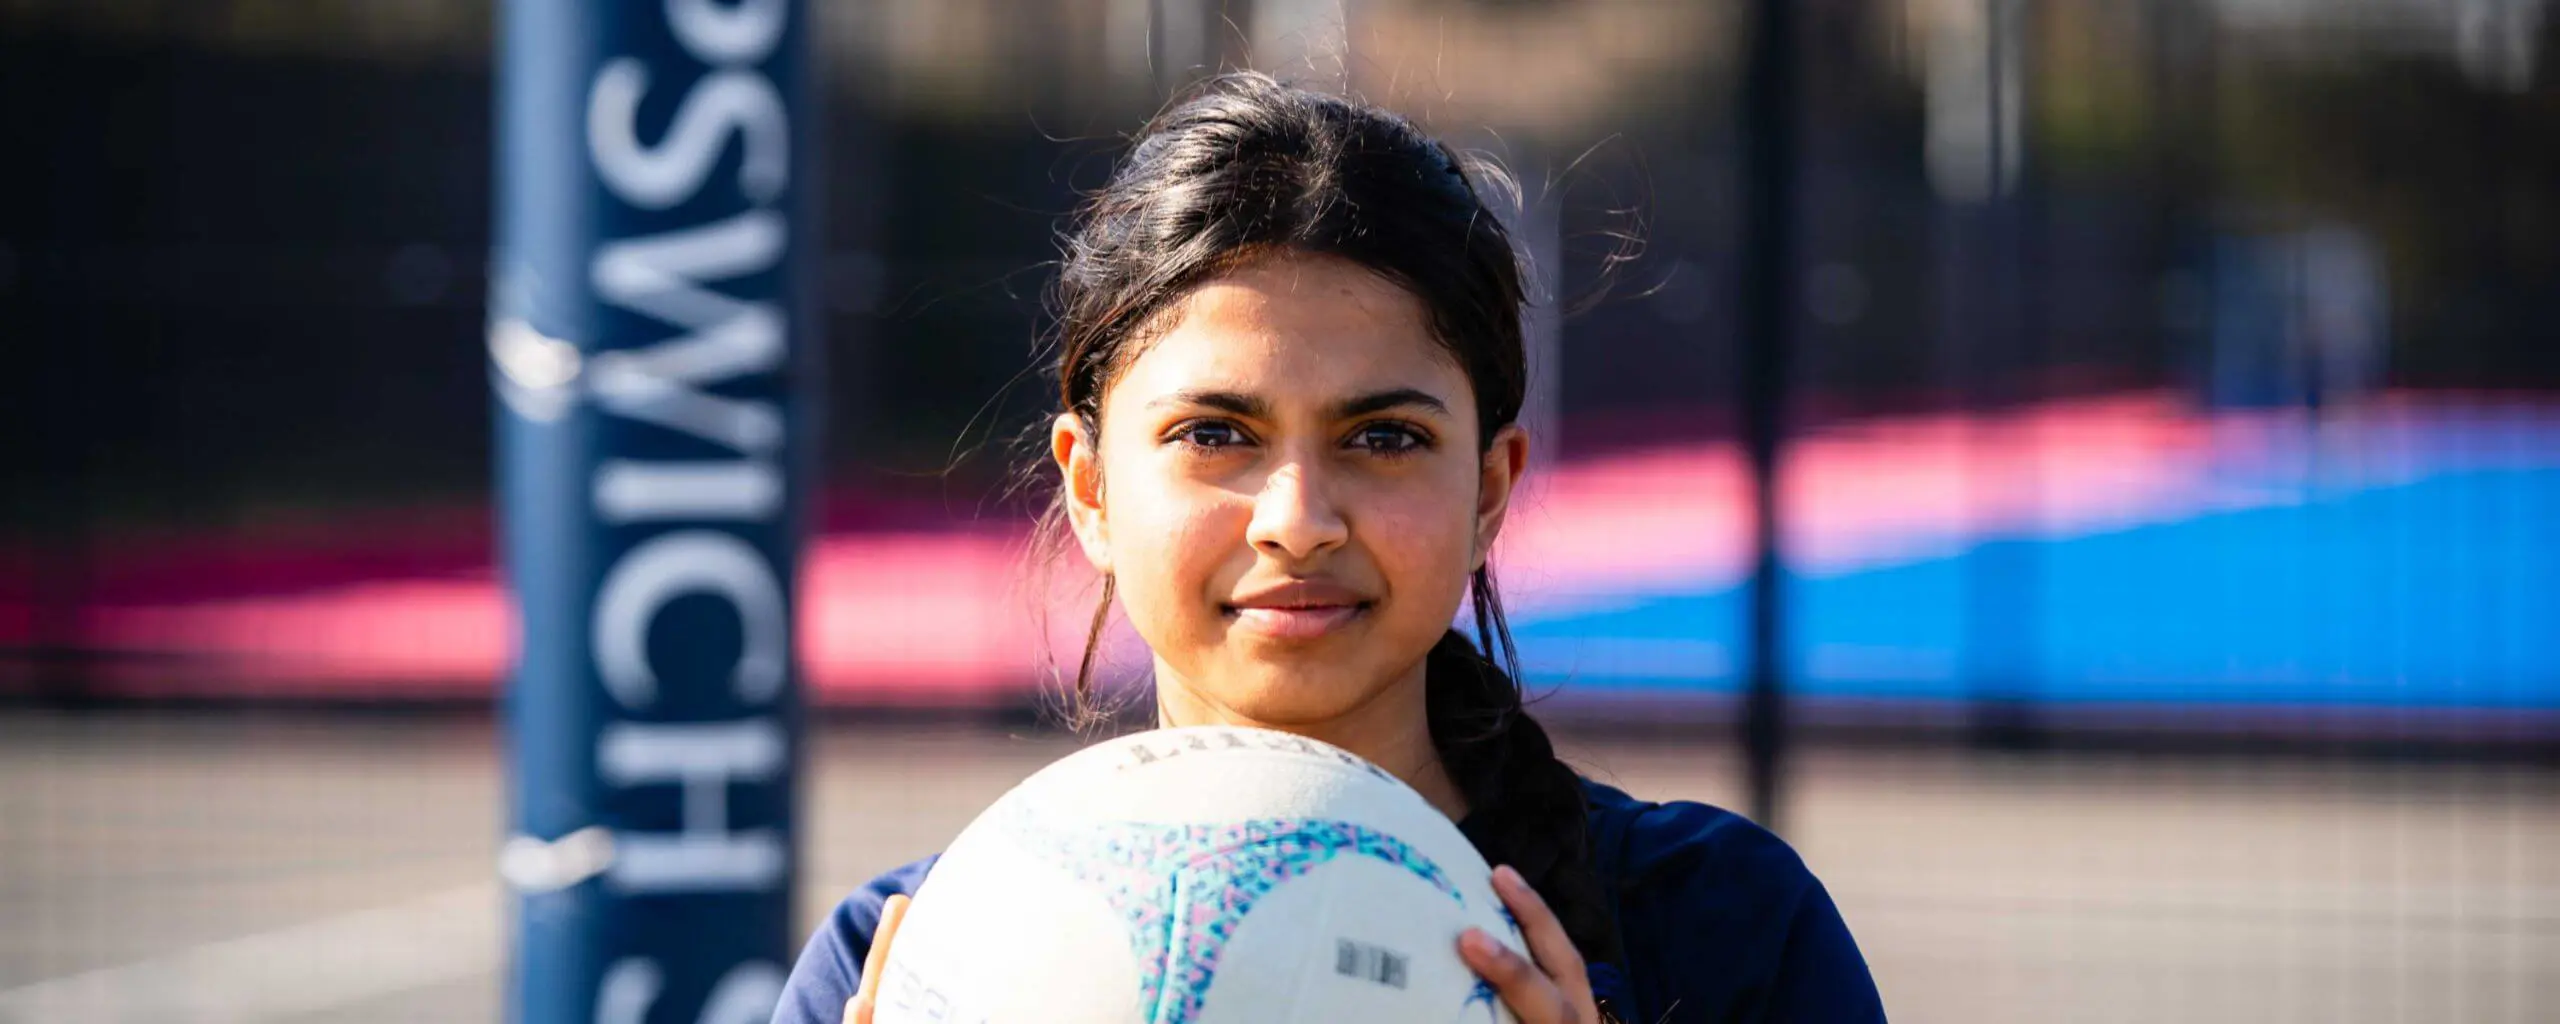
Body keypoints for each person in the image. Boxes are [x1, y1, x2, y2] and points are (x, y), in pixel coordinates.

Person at [772, 71, 1885, 1024]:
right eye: (1215, 434)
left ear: (1489, 487)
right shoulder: (922, 955)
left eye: (1384, 437)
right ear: (1091, 485)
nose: (1298, 518)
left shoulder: (1722, 929)